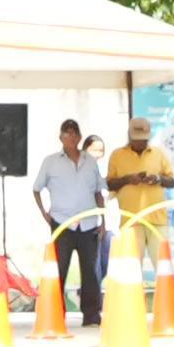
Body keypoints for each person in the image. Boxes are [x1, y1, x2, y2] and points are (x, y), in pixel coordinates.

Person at [34, 119, 107, 325]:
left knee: (90, 272)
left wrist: (103, 220)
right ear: (61, 137)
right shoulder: (51, 161)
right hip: (62, 223)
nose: (71, 137)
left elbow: (98, 192)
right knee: (59, 269)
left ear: (80, 137)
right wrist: (44, 213)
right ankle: (56, 313)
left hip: (88, 223)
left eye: (75, 133)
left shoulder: (90, 161)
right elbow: (36, 188)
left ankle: (91, 314)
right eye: (67, 133)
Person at [106, 115, 174, 314]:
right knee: (130, 267)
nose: (141, 142)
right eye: (137, 138)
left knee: (163, 265)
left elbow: (172, 181)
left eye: (144, 138)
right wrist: (128, 179)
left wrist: (157, 179)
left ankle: (166, 312)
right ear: (130, 135)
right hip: (131, 220)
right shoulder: (117, 155)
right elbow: (109, 183)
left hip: (157, 220)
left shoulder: (158, 154)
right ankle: (131, 310)